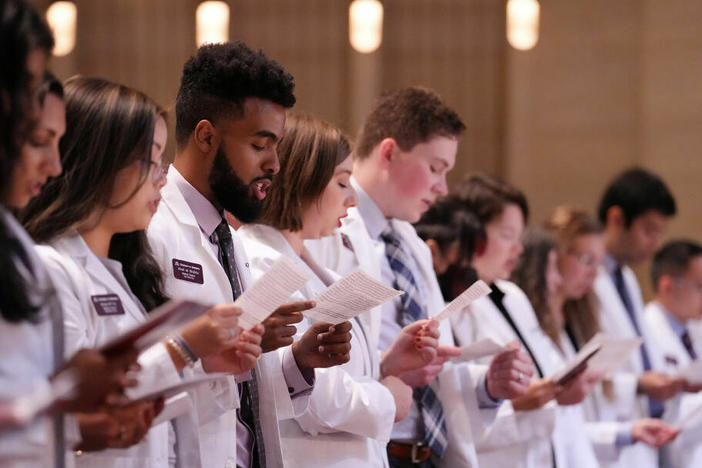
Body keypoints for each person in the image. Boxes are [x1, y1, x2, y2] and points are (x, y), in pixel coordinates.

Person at [22, 75, 265, 467]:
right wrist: (184, 348)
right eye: (150, 160)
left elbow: (150, 419)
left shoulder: (123, 275)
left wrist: (202, 362)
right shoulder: (52, 270)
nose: (163, 176)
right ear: (101, 161)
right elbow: (74, 406)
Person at [147, 41, 352, 468]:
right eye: (261, 145)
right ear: (206, 136)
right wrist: (213, 348)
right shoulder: (153, 231)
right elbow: (136, 383)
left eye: (277, 146)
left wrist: (298, 361)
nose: (276, 164)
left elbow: (242, 397)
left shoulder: (230, 241)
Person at [308, 87, 530, 468]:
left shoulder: (409, 243)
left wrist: (487, 384)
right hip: (368, 448)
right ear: (390, 153)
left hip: (427, 453)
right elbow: (308, 365)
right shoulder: (329, 231)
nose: (442, 188)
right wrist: (386, 363)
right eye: (435, 168)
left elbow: (430, 369)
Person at [240, 112, 449, 467]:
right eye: (341, 183)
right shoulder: (259, 263)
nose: (352, 199)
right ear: (303, 180)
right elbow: (296, 388)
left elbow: (334, 369)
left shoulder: (318, 268)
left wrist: (387, 362)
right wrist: (385, 400)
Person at [0, 3, 137, 465]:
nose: (54, 166)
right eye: (38, 140)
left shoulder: (13, 239)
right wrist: (63, 393)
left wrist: (71, 411)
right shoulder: (50, 257)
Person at [451, 175, 596, 468]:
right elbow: (457, 417)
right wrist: (519, 404)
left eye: (519, 237)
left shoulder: (512, 295)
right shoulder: (454, 306)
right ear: (472, 234)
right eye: (506, 235)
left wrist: (562, 386)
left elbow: (547, 368)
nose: (517, 249)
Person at [593, 167, 682, 467]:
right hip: (603, 431)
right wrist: (640, 383)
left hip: (638, 430)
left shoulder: (626, 278)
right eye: (649, 230)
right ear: (617, 219)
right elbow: (582, 367)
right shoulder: (586, 279)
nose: (655, 243)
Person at [645, 240, 702, 468]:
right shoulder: (647, 334)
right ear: (667, 285)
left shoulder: (693, 332)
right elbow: (666, 418)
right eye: (700, 286)